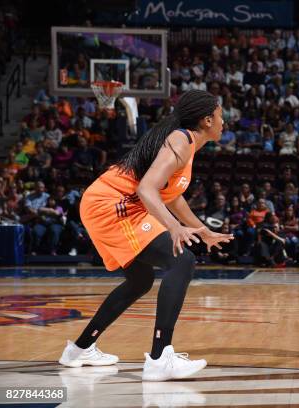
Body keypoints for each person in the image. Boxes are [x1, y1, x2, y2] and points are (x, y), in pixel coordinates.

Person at [58, 90, 233, 381]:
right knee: (182, 261)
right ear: (206, 120)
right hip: (113, 204)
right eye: (220, 115)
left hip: (109, 202)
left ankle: (79, 350)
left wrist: (203, 232)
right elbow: (146, 189)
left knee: (140, 280)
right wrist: (174, 227)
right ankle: (159, 357)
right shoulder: (181, 139)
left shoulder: (187, 144)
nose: (223, 120)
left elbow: (172, 196)